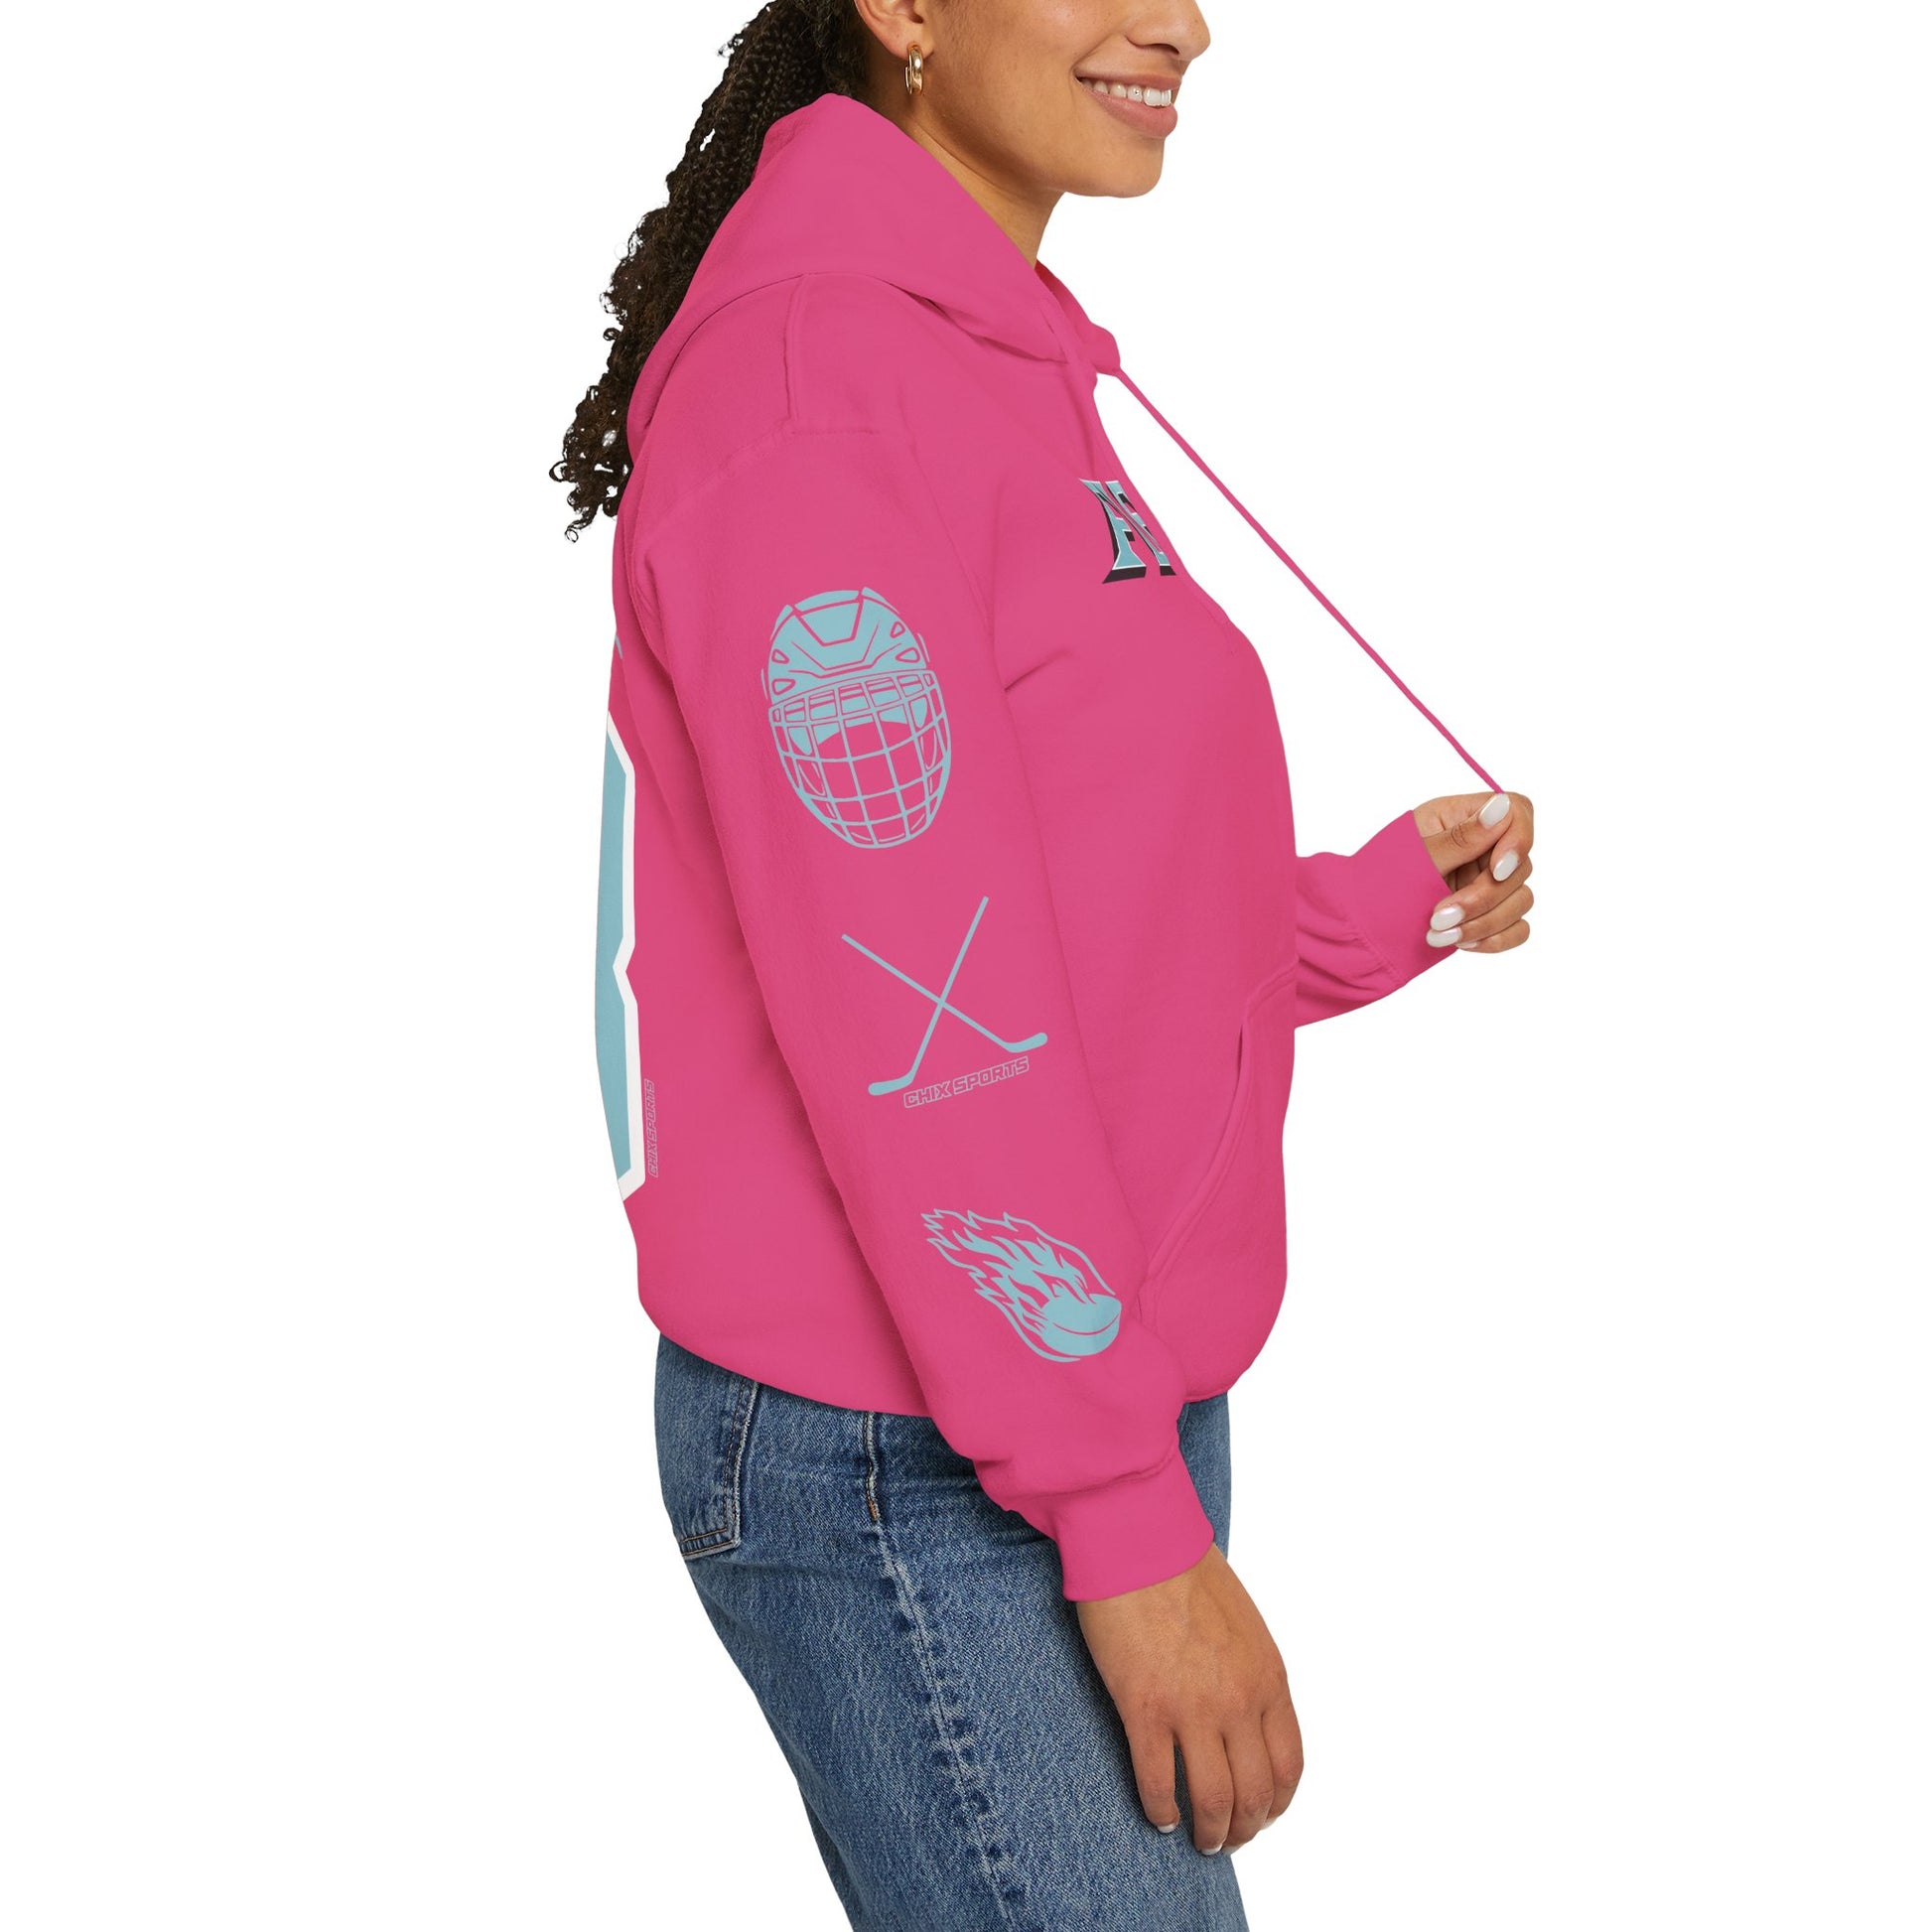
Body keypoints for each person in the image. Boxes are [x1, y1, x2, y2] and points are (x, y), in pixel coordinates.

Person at [556, 4, 1536, 1925]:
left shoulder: (972, 349)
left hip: (1056, 1387)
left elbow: (1044, 881)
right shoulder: (815, 382)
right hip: (916, 1440)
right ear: (903, 7)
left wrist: (1364, 912)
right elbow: (915, 1006)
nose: (1180, 23)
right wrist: (1121, 1517)